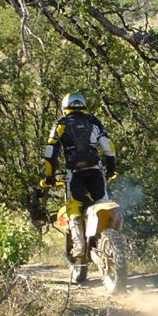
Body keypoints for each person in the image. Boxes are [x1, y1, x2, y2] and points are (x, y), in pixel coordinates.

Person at [40, 92, 117, 256]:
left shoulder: (60, 124)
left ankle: (79, 244)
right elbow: (108, 146)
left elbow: (50, 150)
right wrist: (111, 169)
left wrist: (50, 176)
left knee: (73, 206)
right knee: (102, 203)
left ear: (64, 108)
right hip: (96, 170)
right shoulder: (93, 122)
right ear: (84, 105)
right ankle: (106, 240)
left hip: (74, 172)